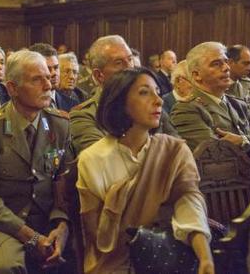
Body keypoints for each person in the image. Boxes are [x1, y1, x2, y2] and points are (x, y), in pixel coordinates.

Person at [77, 68, 213, 274]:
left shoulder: (174, 151)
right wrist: (114, 210)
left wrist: (205, 258)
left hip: (171, 255)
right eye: (144, 92)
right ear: (120, 102)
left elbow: (189, 204)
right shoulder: (93, 159)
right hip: (115, 262)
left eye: (158, 91)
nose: (158, 101)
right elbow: (97, 239)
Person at [0, 50, 72, 273]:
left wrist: (61, 226)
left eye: (48, 78)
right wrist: (31, 237)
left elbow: (63, 188)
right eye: (36, 79)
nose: (48, 86)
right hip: (0, 222)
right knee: (7, 266)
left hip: (45, 219)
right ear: (12, 88)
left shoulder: (59, 125)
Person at [70, 35, 177, 155]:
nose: (130, 68)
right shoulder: (84, 116)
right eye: (119, 63)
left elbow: (178, 149)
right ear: (99, 75)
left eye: (130, 59)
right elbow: (104, 161)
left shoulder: (151, 104)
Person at [171, 41, 250, 158]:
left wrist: (244, 141)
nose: (226, 68)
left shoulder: (237, 104)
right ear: (197, 75)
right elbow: (215, 154)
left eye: (226, 62)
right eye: (216, 64)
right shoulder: (186, 109)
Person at [30, 43, 76, 111]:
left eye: (56, 67)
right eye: (48, 69)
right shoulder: (26, 106)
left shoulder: (72, 104)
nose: (54, 73)